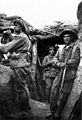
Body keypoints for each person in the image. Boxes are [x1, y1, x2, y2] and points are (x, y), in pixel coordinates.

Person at [0, 19, 32, 119]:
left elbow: (5, 49)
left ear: (22, 26)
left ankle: (24, 111)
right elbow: (14, 45)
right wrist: (8, 36)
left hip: (20, 65)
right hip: (21, 64)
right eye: (14, 25)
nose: (14, 27)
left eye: (17, 25)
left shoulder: (21, 37)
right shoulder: (23, 37)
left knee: (21, 88)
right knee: (22, 87)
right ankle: (26, 108)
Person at [46, 29, 80, 120]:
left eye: (68, 36)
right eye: (64, 37)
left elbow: (76, 60)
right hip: (60, 73)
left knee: (64, 93)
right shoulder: (60, 48)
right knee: (54, 91)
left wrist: (67, 62)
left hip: (69, 75)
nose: (66, 38)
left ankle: (58, 112)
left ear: (71, 37)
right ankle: (52, 111)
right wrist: (58, 64)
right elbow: (55, 59)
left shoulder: (75, 48)